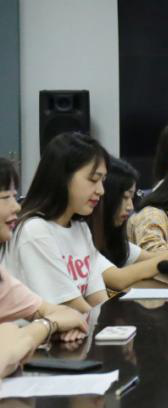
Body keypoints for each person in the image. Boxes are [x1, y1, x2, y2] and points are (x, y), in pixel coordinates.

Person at [3, 133, 115, 312]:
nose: (101, 190)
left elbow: (98, 299)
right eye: (93, 179)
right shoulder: (35, 230)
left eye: (103, 181)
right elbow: (70, 305)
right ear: (62, 177)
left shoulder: (81, 229)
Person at [0, 157, 89, 376]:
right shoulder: (35, 230)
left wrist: (50, 324)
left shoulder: (2, 281)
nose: (17, 206)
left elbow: (69, 313)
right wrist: (46, 327)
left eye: (15, 196)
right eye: (5, 197)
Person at [91, 156, 168, 291]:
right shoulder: (151, 215)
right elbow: (118, 279)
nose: (130, 207)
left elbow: (150, 258)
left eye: (131, 198)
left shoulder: (114, 239)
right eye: (124, 197)